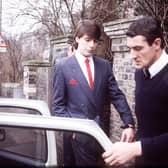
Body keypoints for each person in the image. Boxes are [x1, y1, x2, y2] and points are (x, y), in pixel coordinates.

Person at [52, 19, 135, 166]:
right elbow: (58, 106)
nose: (92, 45)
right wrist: (73, 130)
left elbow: (116, 95)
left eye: (95, 41)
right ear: (77, 38)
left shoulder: (104, 65)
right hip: (75, 135)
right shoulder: (62, 66)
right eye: (88, 40)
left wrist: (128, 123)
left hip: (98, 133)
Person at [102, 16, 168, 167]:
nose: (132, 55)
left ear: (156, 43)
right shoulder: (141, 72)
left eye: (138, 48)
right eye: (130, 48)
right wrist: (131, 130)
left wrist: (136, 148)